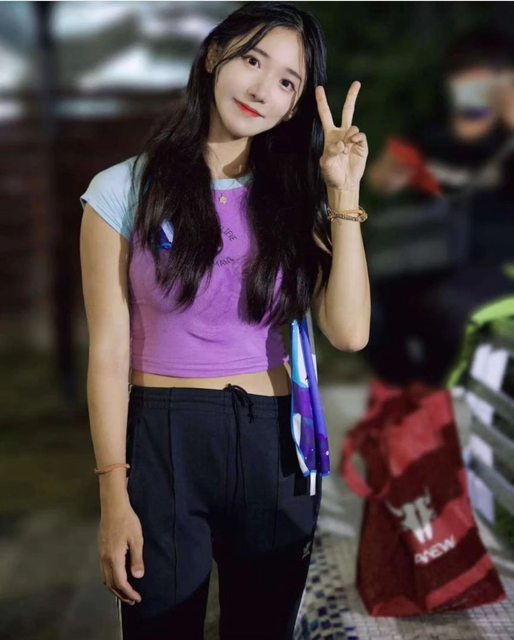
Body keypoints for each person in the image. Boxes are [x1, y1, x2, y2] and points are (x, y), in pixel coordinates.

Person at [79, 3, 370, 639]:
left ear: (293, 108)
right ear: (215, 56)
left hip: (276, 446)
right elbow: (107, 352)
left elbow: (349, 333)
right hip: (165, 443)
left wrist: (343, 195)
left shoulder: (297, 196)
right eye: (253, 60)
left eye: (287, 81)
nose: (263, 89)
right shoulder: (120, 191)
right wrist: (113, 496)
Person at [365, 27, 514, 385]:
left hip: (492, 267)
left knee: (453, 313)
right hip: (428, 257)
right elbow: (380, 181)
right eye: (467, 82)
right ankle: (414, 391)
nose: (476, 92)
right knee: (372, 306)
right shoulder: (431, 131)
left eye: (487, 83)